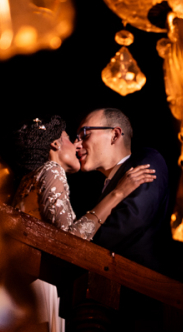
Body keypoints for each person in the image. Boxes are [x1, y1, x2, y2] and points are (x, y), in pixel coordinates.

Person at [14, 115, 156, 238]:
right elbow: (68, 241)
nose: (77, 145)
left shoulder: (30, 179)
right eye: (70, 139)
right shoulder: (52, 169)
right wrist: (118, 193)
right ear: (56, 144)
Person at [76, 107, 169, 269]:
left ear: (115, 135)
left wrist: (78, 248)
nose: (77, 145)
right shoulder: (102, 189)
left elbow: (132, 219)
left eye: (85, 134)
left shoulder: (148, 159)